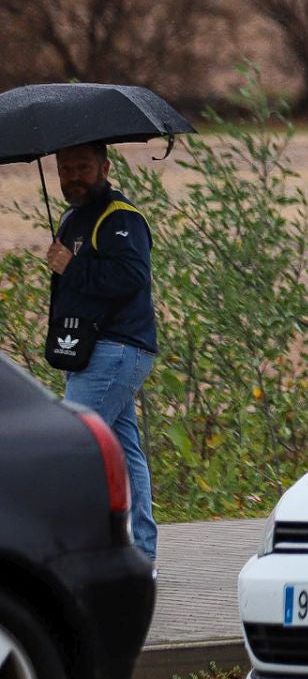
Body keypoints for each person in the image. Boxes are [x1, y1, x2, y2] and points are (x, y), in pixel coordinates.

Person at [46, 143, 159, 561]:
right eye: (65, 168)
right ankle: (141, 554)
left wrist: (70, 265)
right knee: (125, 452)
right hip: (89, 351)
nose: (73, 176)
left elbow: (131, 276)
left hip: (116, 348)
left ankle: (66, 553)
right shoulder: (73, 219)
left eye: (83, 167)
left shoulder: (121, 218)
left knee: (72, 446)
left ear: (105, 167)